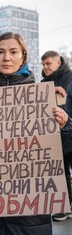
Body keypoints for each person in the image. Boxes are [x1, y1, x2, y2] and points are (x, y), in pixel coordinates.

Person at [0, 32, 72, 235]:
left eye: (13, 52)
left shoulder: (41, 95)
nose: (7, 58)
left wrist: (66, 125)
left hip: (29, 206)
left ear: (23, 57)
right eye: (1, 52)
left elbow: (56, 150)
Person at [41, 50, 72, 221]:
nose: (45, 67)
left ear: (58, 62)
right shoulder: (44, 82)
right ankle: (66, 207)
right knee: (62, 173)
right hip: (54, 136)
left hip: (69, 131)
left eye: (48, 64)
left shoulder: (70, 78)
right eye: (43, 64)